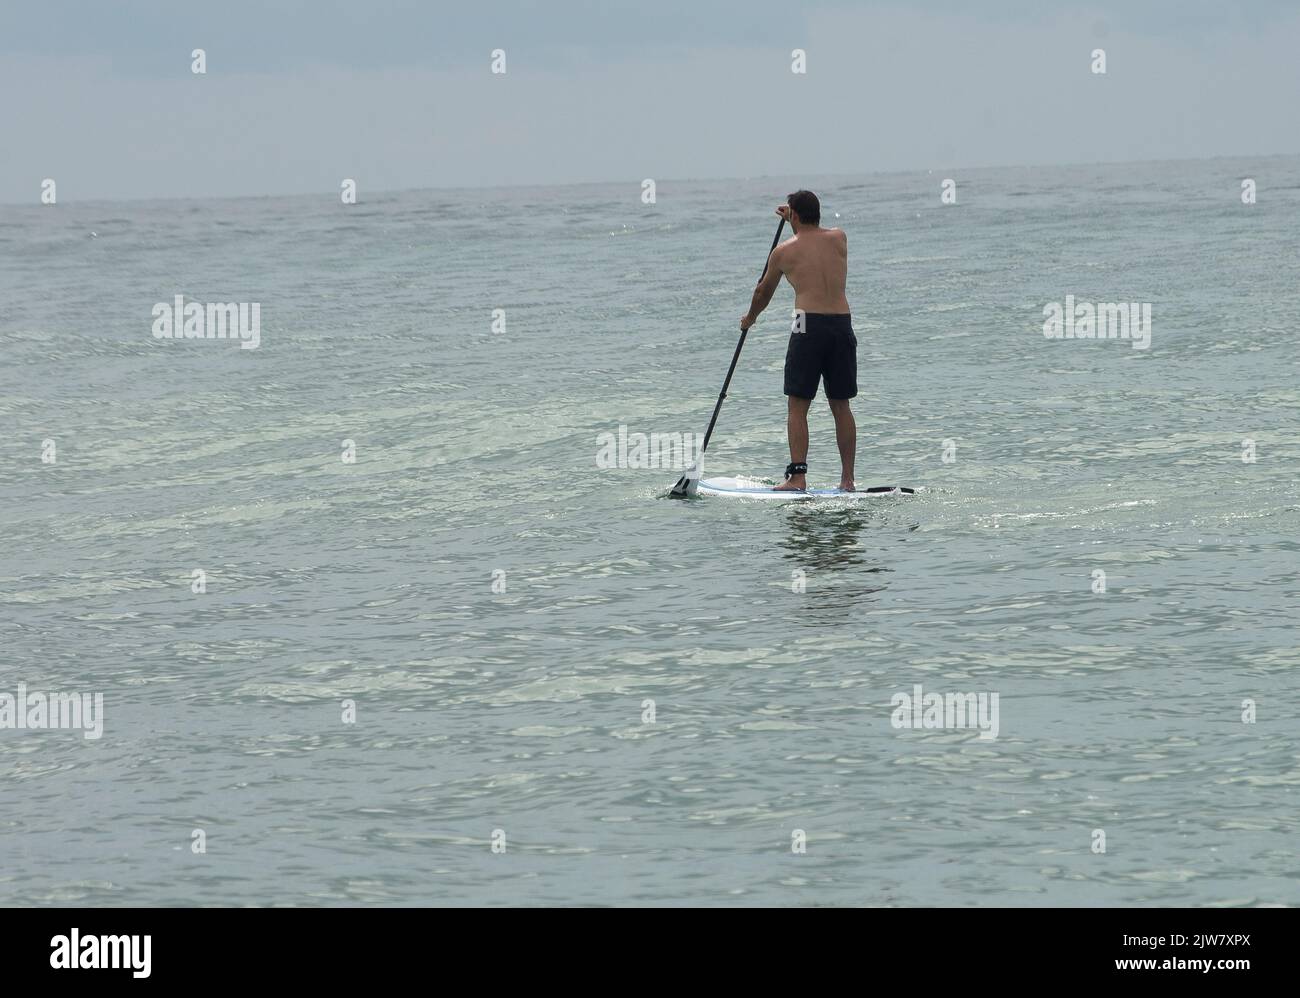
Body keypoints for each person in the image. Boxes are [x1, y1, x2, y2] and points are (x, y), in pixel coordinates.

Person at [740, 190, 857, 492]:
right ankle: (847, 479)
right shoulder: (839, 238)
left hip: (807, 324)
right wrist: (794, 215)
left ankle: (798, 477)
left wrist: (750, 318)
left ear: (794, 216)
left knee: (797, 406)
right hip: (842, 323)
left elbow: (762, 293)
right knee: (840, 405)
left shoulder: (782, 252)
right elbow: (812, 236)